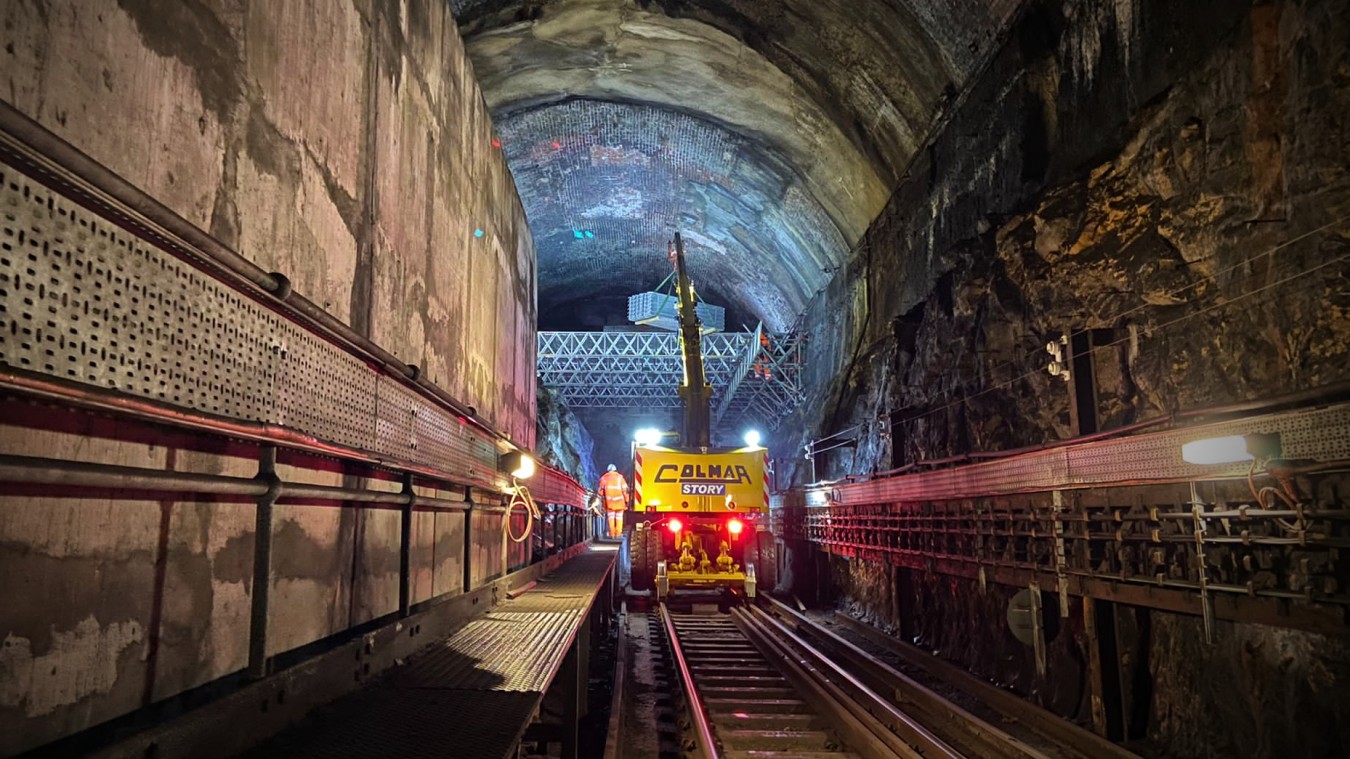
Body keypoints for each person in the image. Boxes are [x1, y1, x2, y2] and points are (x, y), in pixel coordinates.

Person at [596, 464, 631, 538]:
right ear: (615, 470)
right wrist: (627, 500)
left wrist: (601, 499)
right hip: (620, 502)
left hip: (609, 503)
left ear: (608, 470)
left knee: (611, 518)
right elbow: (625, 490)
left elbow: (600, 491)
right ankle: (618, 535)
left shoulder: (604, 478)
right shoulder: (620, 477)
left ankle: (612, 534)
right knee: (619, 518)